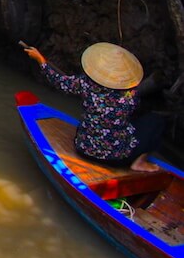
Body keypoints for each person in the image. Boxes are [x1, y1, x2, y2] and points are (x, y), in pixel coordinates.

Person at [23, 42, 165, 172]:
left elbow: (60, 82)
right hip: (117, 158)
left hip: (84, 148)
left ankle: (133, 159)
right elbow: (132, 111)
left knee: (132, 123)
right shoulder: (131, 94)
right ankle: (139, 162)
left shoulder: (86, 83)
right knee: (156, 120)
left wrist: (40, 60)